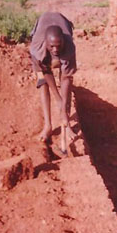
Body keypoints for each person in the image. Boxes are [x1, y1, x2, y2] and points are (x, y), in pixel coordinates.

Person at [29, 11, 78, 158]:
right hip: (42, 33)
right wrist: (57, 99)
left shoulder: (69, 46)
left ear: (63, 41)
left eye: (58, 46)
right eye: (52, 46)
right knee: (42, 83)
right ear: (46, 43)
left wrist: (63, 107)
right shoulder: (37, 47)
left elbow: (66, 78)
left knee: (66, 86)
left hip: (62, 23)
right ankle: (47, 126)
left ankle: (67, 124)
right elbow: (46, 73)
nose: (55, 50)